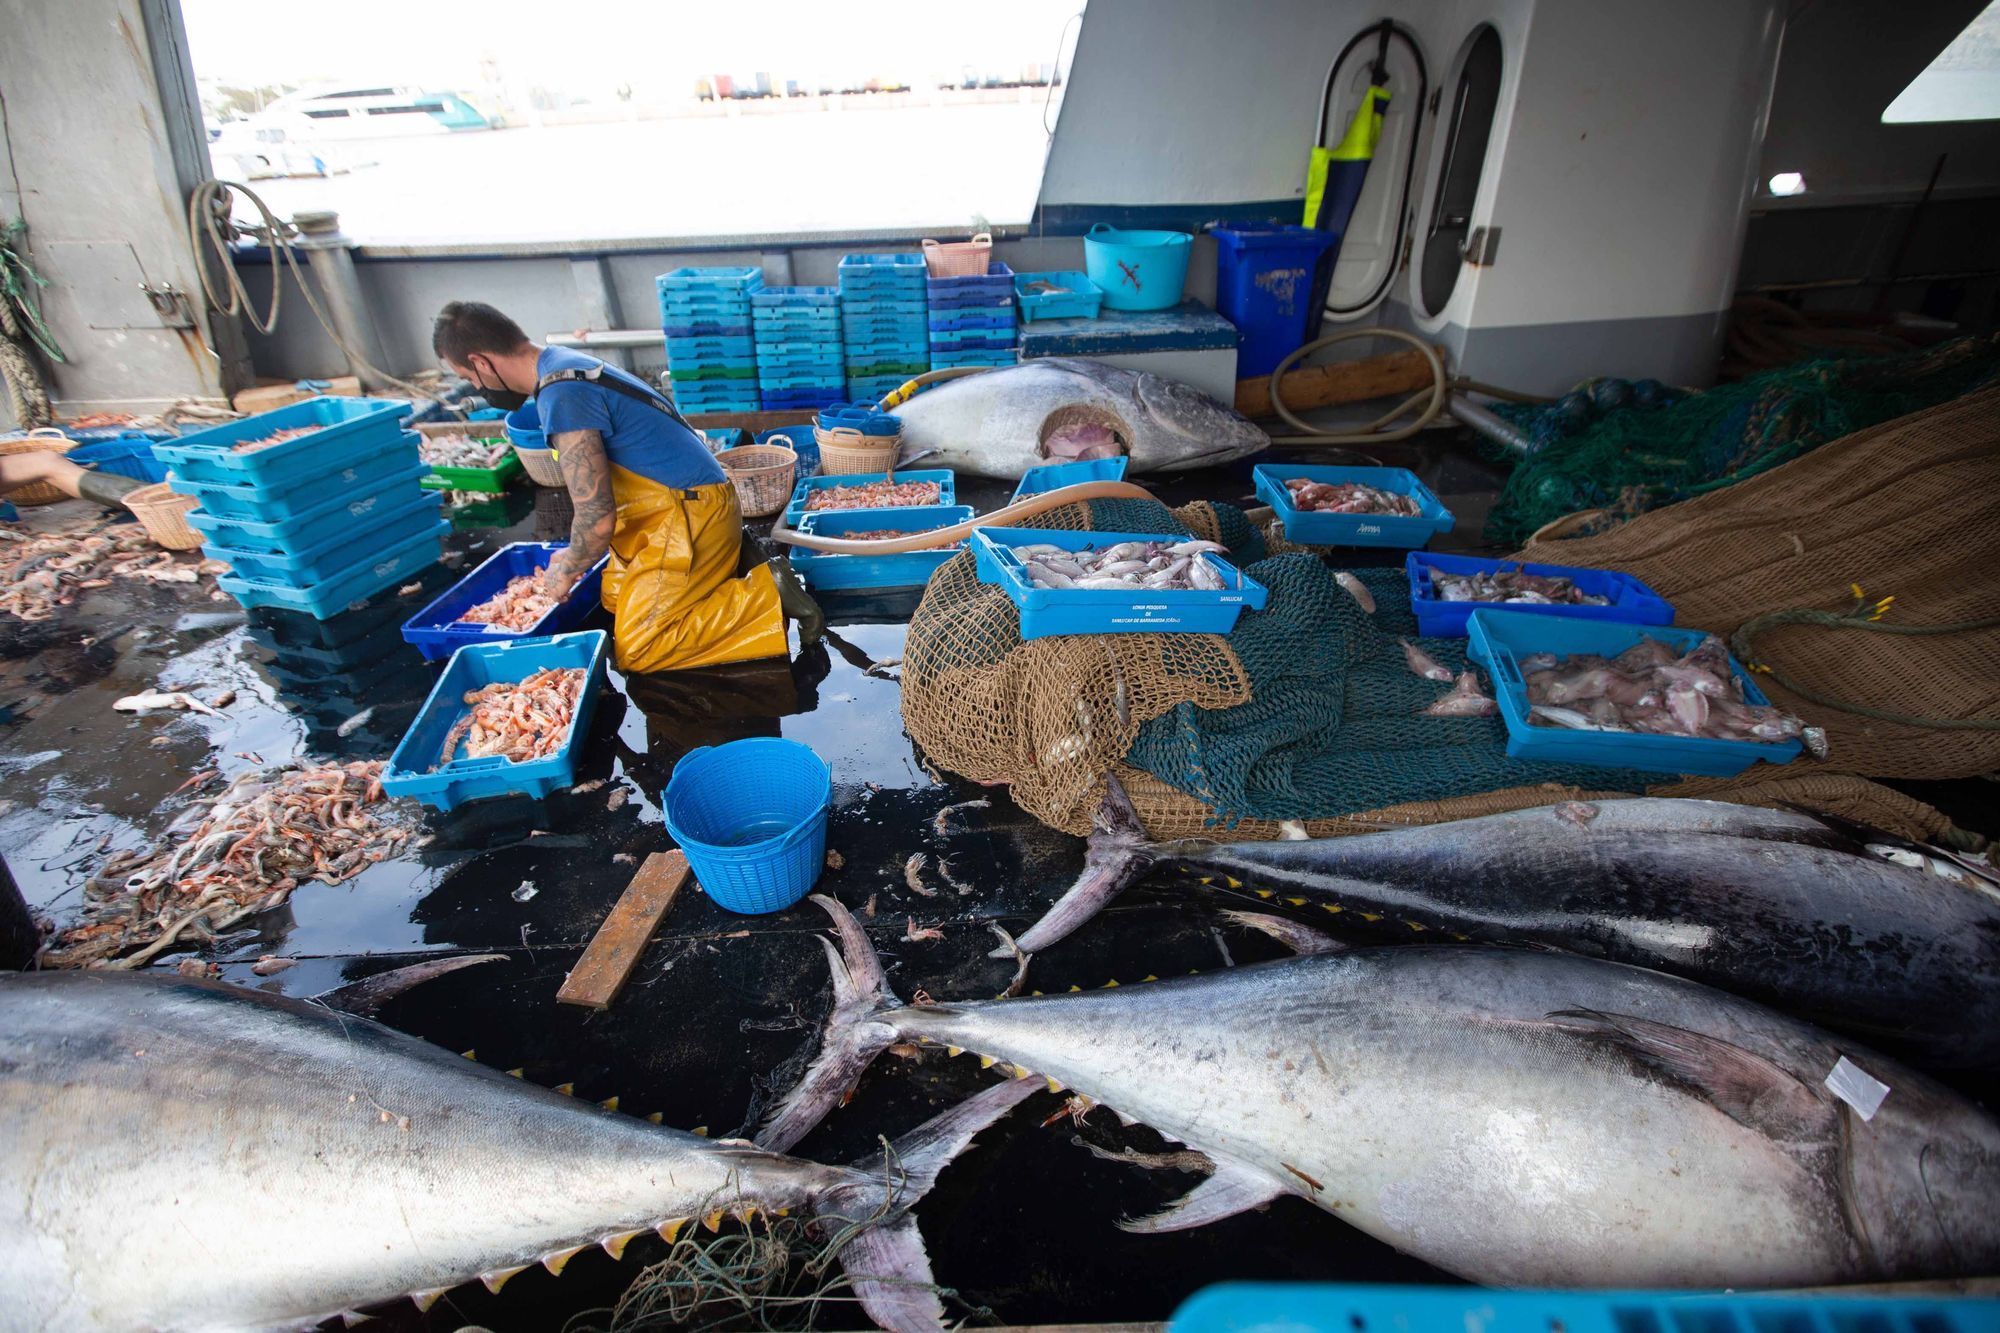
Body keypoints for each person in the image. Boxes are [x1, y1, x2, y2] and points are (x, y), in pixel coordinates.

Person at [431, 301, 820, 672]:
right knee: (615, 597)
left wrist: (564, 571)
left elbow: (597, 518)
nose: (478, 389)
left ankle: (768, 592)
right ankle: (725, 577)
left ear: (481, 362)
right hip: (666, 509)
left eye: (470, 379)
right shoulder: (564, 363)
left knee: (642, 646)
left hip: (688, 513)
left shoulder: (562, 393)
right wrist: (572, 557)